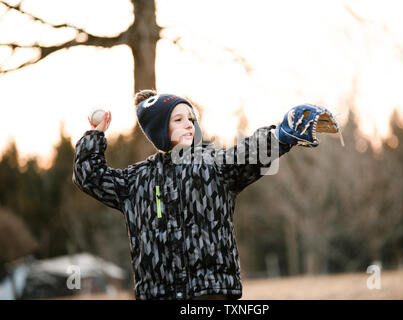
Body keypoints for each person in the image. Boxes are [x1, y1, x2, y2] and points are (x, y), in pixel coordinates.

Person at [72, 89, 340, 300]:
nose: (189, 125)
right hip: (157, 293)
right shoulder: (136, 181)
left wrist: (281, 135)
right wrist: (94, 138)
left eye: (191, 119)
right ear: (157, 130)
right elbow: (91, 177)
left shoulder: (213, 165)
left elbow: (248, 154)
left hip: (211, 292)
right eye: (178, 120)